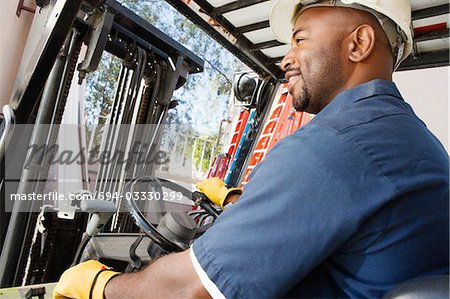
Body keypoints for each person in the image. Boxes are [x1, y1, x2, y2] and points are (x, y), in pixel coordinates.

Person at [53, 0, 449, 298]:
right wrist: (239, 200)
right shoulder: (408, 138)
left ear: (359, 42)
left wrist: (99, 286)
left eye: (299, 40)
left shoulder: (336, 145)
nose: (285, 60)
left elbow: (189, 290)